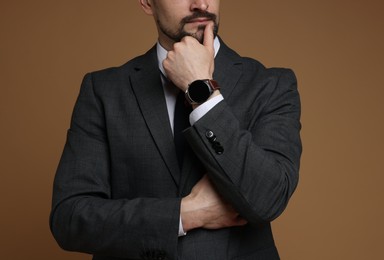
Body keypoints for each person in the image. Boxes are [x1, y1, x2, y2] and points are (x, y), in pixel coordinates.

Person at [50, 0, 302, 259]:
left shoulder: (271, 85)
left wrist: (200, 90)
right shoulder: (103, 90)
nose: (200, 4)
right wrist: (184, 214)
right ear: (148, 3)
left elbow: (268, 199)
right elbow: (69, 219)